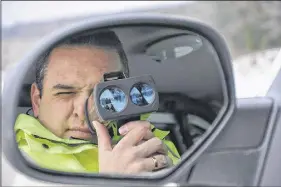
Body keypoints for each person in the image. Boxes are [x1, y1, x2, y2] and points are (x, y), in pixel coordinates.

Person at [14, 30, 180, 174]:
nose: (83, 110)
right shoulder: (16, 161)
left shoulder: (155, 146)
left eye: (105, 94)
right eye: (65, 93)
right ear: (37, 100)